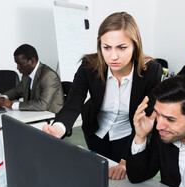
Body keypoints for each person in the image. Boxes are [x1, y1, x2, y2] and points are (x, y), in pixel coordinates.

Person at [43, 12, 162, 176]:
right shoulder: (88, 66)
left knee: (125, 178)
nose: (113, 56)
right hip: (95, 130)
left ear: (135, 46)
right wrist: (58, 128)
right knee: (100, 175)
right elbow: (73, 103)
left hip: (127, 134)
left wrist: (126, 160)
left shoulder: (151, 71)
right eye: (106, 47)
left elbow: (146, 117)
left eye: (122, 47)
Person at [0, 44, 64, 114]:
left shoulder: (49, 76)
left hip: (50, 118)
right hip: (33, 115)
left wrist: (11, 104)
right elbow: (17, 91)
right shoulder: (26, 74)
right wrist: (2, 98)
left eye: (20, 64)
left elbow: (42, 104)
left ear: (32, 61)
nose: (17, 67)